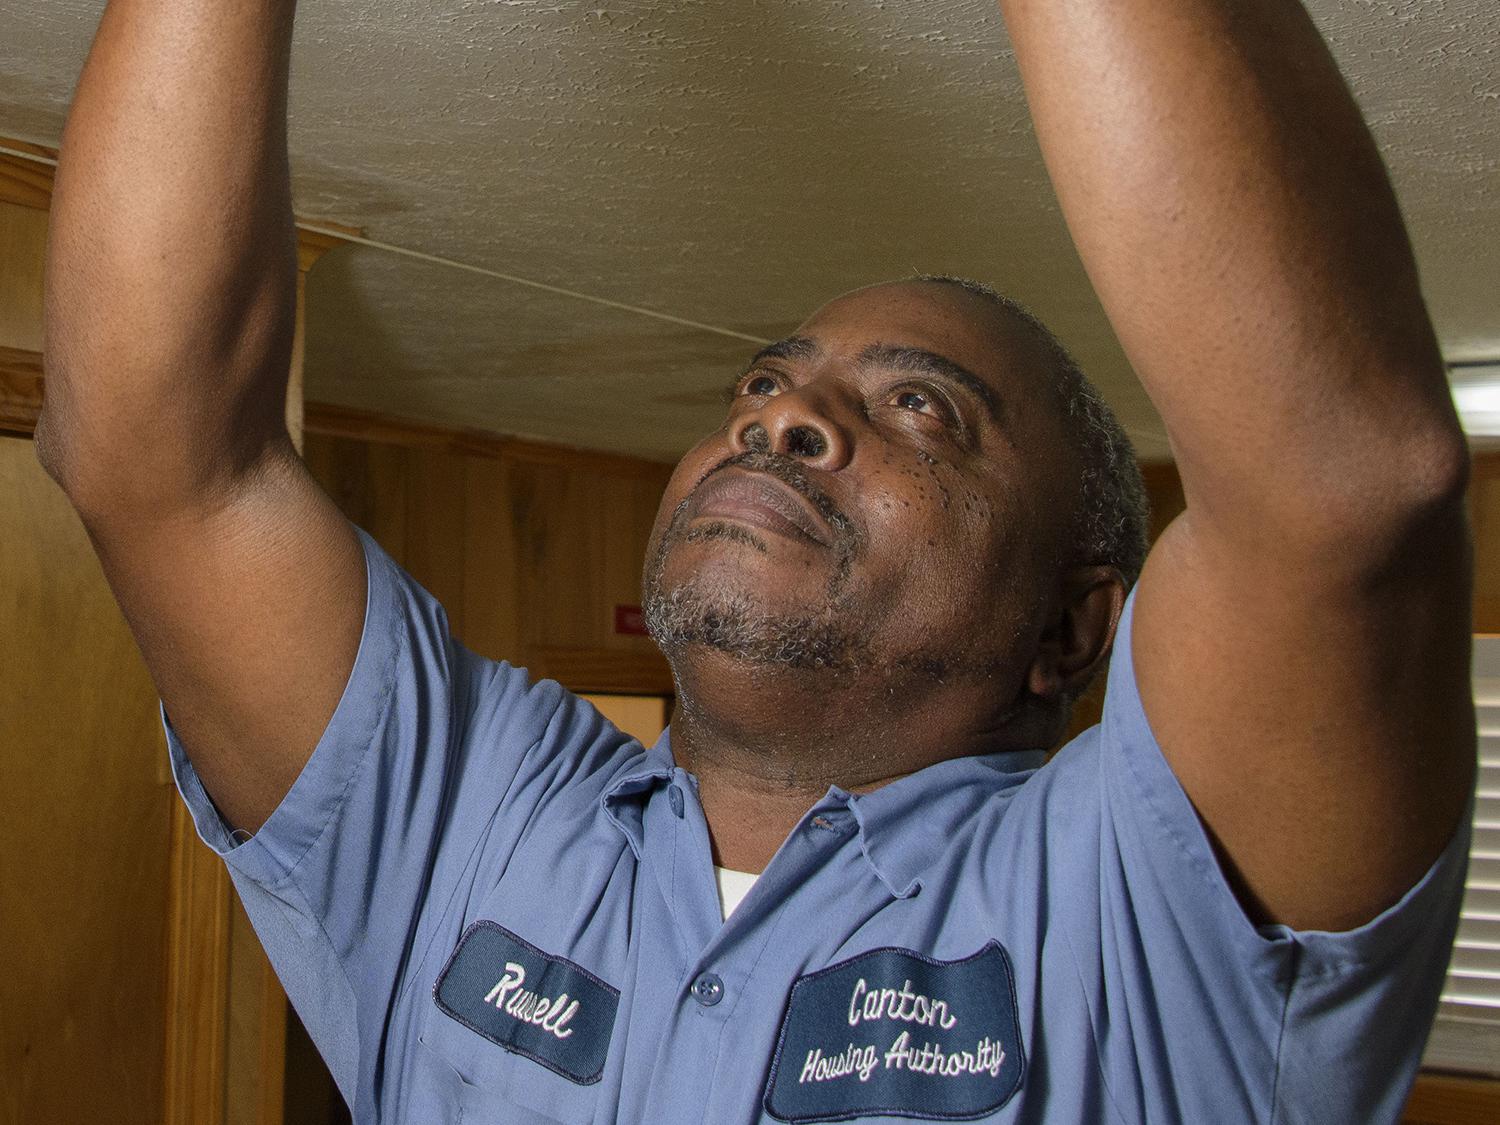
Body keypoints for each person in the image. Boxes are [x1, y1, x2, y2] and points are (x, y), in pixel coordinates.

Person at [37, 0, 1476, 1122]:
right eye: (760, 385)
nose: (784, 415)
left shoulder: (1136, 923)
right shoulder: (471, 823)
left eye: (923, 409)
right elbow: (163, 466)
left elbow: (1337, 492)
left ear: (1077, 626)